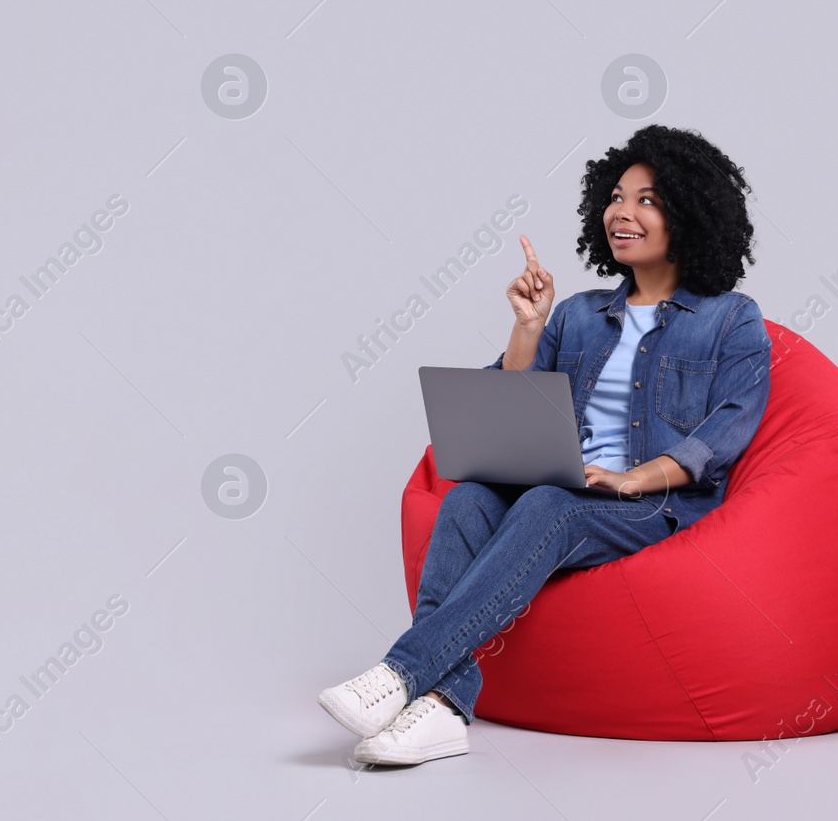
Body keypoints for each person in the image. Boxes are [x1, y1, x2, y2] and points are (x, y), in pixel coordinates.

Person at [318, 124, 774, 766]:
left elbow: (726, 429)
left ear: (690, 215)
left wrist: (631, 478)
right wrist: (527, 329)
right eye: (617, 196)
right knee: (468, 499)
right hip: (567, 484)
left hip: (654, 502)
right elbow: (514, 406)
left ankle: (401, 674)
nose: (623, 212)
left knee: (546, 508)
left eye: (648, 199)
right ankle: (444, 710)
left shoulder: (732, 319)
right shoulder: (580, 314)